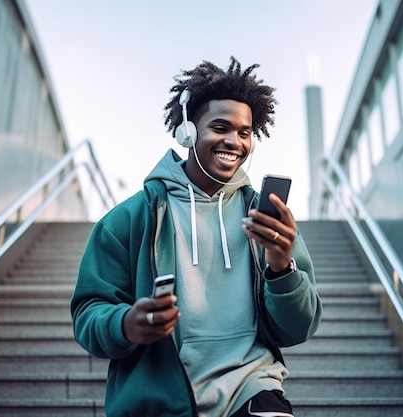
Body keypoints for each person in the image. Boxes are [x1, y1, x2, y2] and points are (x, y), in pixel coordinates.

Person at [71, 56, 322, 417]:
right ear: (187, 131)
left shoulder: (267, 219)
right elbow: (87, 313)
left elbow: (299, 328)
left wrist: (282, 269)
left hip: (254, 386)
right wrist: (126, 324)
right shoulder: (127, 220)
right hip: (161, 400)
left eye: (245, 132)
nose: (234, 142)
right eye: (220, 127)